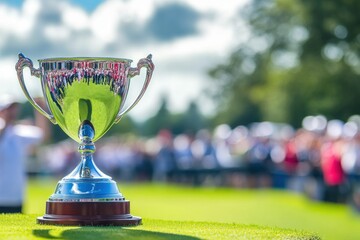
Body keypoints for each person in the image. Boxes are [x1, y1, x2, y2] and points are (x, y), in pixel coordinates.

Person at [0, 95, 49, 213]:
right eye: (9, 109)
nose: (12, 112)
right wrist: (6, 122)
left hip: (16, 196)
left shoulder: (19, 132)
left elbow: (43, 135)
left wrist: (40, 110)